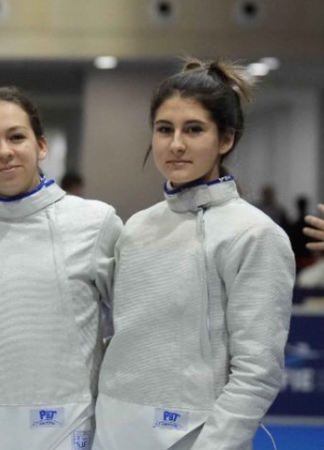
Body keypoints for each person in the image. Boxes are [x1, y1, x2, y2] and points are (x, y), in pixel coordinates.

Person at [93, 58, 294, 450]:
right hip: (114, 432)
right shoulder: (136, 227)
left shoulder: (255, 235)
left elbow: (258, 371)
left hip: (196, 436)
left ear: (226, 139)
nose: (176, 144)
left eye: (194, 129)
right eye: (164, 129)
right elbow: (123, 338)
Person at [0, 86, 122, 450]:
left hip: (65, 424)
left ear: (41, 146)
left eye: (16, 137)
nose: (4, 151)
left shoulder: (96, 222)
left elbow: (129, 323)